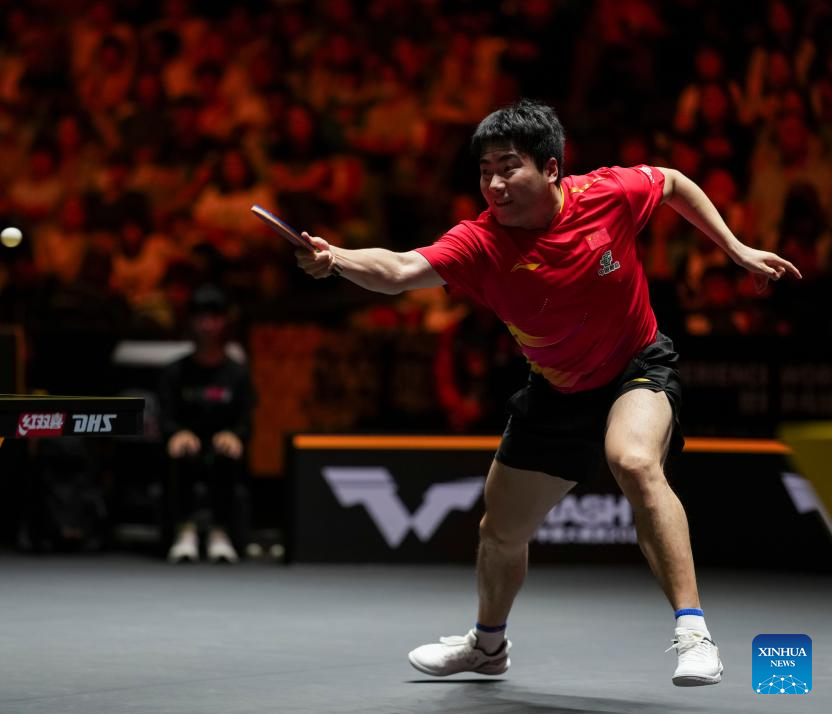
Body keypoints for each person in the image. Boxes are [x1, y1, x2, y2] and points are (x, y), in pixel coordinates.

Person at [294, 99, 801, 686]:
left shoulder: (607, 194)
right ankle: (488, 647)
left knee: (633, 460)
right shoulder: (480, 242)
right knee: (499, 530)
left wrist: (736, 248)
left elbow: (673, 182)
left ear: (552, 168)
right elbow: (402, 269)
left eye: (509, 167)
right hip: (556, 388)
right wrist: (336, 258)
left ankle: (694, 635)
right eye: (485, 171)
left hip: (635, 367)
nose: (495, 184)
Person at [158, 284, 255, 564]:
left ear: (224, 321)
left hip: (222, 452)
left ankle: (219, 533)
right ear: (191, 321)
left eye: (214, 317)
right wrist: (177, 432)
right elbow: (165, 417)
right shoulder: (174, 372)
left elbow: (246, 420)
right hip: (186, 451)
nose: (207, 325)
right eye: (201, 317)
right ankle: (185, 531)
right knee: (183, 451)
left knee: (225, 453)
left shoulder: (237, 374)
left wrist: (234, 434)